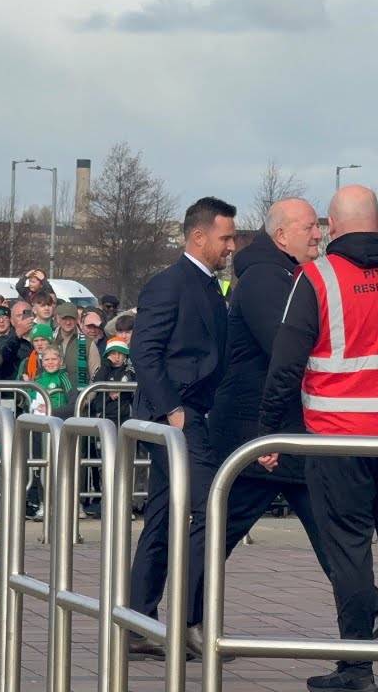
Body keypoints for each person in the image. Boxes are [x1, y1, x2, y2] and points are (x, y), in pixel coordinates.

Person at [259, 186, 378, 692]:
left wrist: (270, 432)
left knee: (349, 551)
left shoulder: (318, 277)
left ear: (333, 226)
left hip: (337, 439)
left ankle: (357, 667)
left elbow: (285, 365)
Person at [202, 197, 378, 640]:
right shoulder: (266, 279)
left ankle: (370, 610)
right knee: (219, 531)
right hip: (259, 435)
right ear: (281, 236)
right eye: (310, 227)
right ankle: (177, 613)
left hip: (283, 432)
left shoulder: (284, 274)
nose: (318, 234)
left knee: (326, 526)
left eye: (319, 226)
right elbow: (288, 349)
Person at [127, 196, 237, 660]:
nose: (231, 246)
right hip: (176, 416)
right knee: (207, 509)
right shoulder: (169, 284)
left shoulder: (208, 285)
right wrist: (173, 409)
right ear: (198, 236)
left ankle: (137, 621)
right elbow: (144, 352)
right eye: (225, 237)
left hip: (190, 413)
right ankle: (188, 622)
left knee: (163, 517)